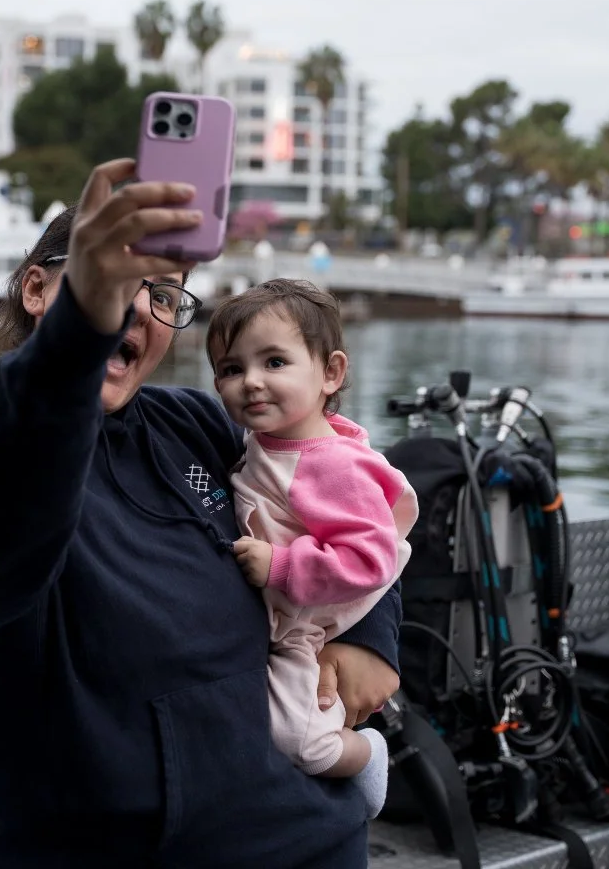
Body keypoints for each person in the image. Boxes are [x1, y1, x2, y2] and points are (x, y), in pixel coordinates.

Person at [0, 159, 403, 869]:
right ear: (39, 290)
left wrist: (367, 632)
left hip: (300, 839)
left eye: (163, 292)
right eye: (113, 279)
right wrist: (77, 333)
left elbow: (341, 492)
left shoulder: (193, 424)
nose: (136, 307)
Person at [205, 280, 415, 820]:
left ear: (331, 373)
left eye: (275, 362)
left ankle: (368, 759)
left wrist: (281, 565)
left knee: (301, 741)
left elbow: (372, 559)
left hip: (308, 625)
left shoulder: (329, 465)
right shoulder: (266, 442)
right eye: (231, 369)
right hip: (287, 621)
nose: (250, 382)